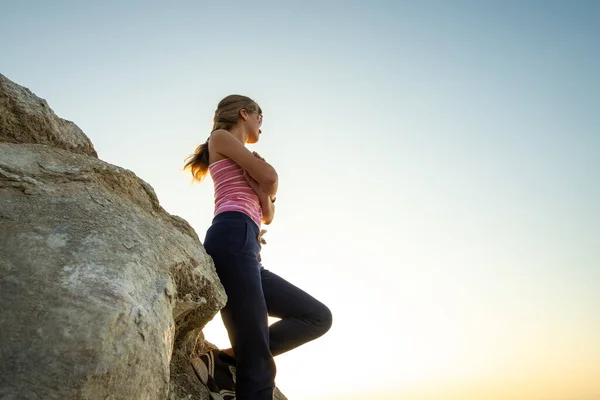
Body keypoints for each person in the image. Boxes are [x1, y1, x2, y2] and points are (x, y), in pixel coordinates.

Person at [184, 95, 332, 400]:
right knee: (259, 363)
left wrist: (264, 191)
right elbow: (271, 177)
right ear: (244, 113)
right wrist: (266, 183)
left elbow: (267, 214)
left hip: (248, 244)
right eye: (259, 117)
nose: (261, 126)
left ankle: (225, 359)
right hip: (232, 234)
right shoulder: (221, 137)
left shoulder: (242, 155)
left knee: (317, 317)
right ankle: (240, 361)